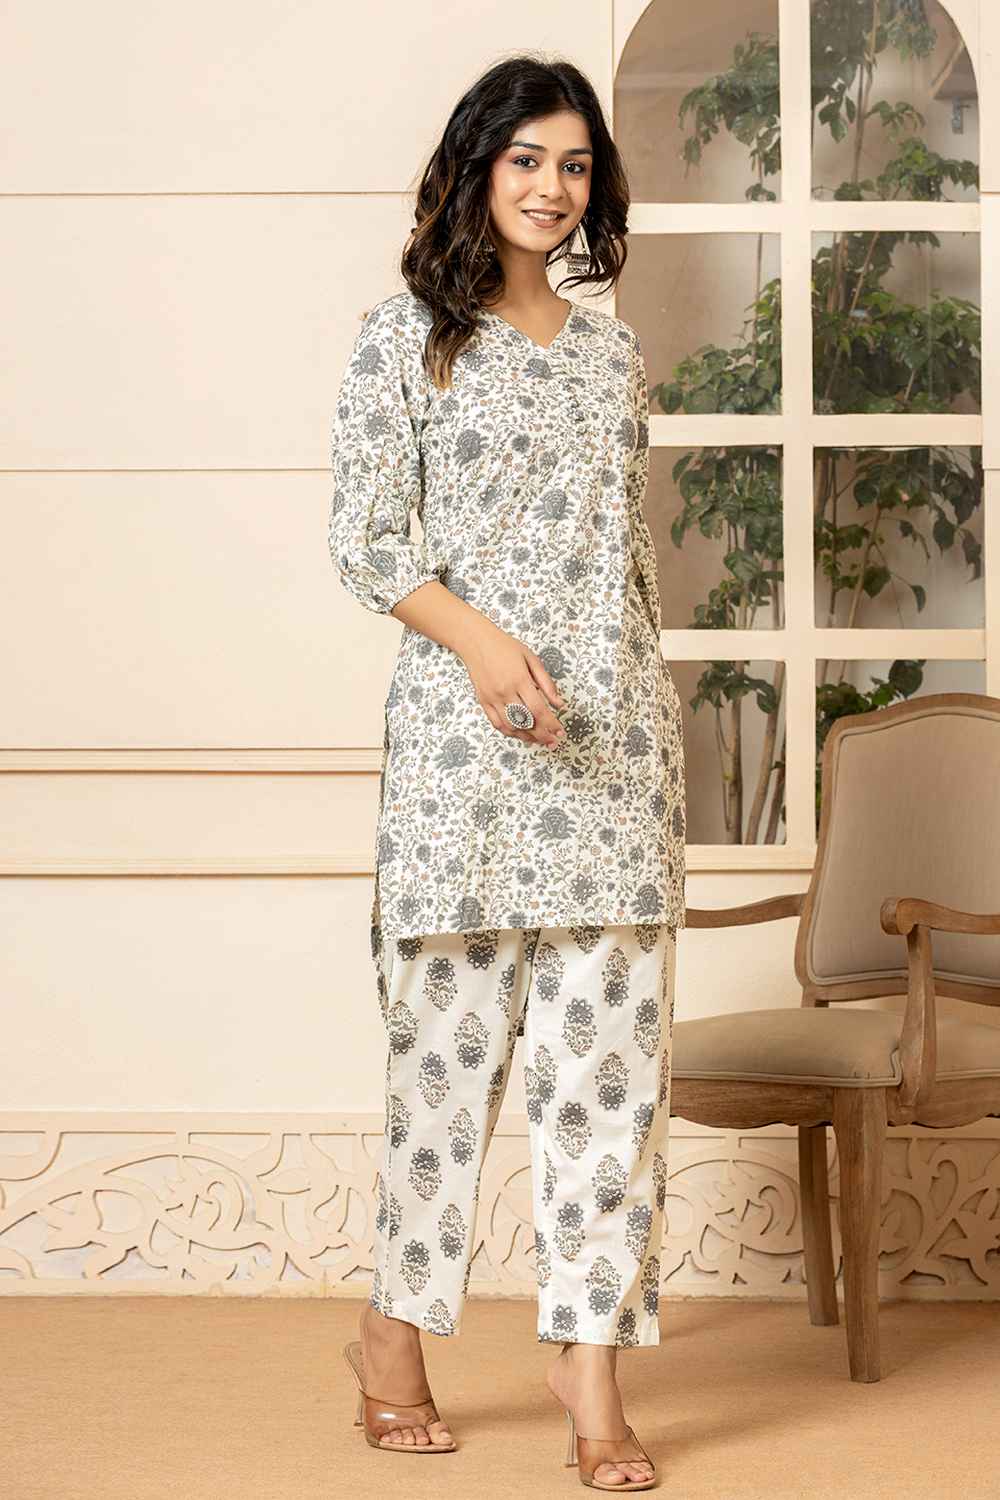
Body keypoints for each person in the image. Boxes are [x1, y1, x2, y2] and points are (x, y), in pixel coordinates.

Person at [329, 52, 686, 1493]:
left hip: (612, 758)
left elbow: (624, 561)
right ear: (476, 168)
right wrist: (480, 646)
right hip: (460, 766)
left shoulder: (612, 354)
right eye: (527, 159)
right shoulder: (405, 339)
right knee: (443, 1077)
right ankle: (392, 1336)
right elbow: (369, 541)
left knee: (611, 1084)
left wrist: (645, 717)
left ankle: (589, 1368)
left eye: (576, 164)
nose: (553, 187)